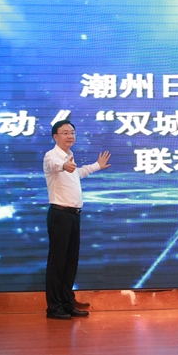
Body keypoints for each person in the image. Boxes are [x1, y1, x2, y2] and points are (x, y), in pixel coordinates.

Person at [44, 120, 111, 320]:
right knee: (57, 263)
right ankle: (54, 308)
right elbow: (55, 165)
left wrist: (96, 166)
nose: (70, 136)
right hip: (60, 215)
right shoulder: (52, 156)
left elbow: (77, 174)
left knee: (70, 263)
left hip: (73, 215)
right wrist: (64, 165)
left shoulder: (70, 157)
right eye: (65, 132)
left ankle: (67, 303)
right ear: (55, 136)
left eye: (72, 132)